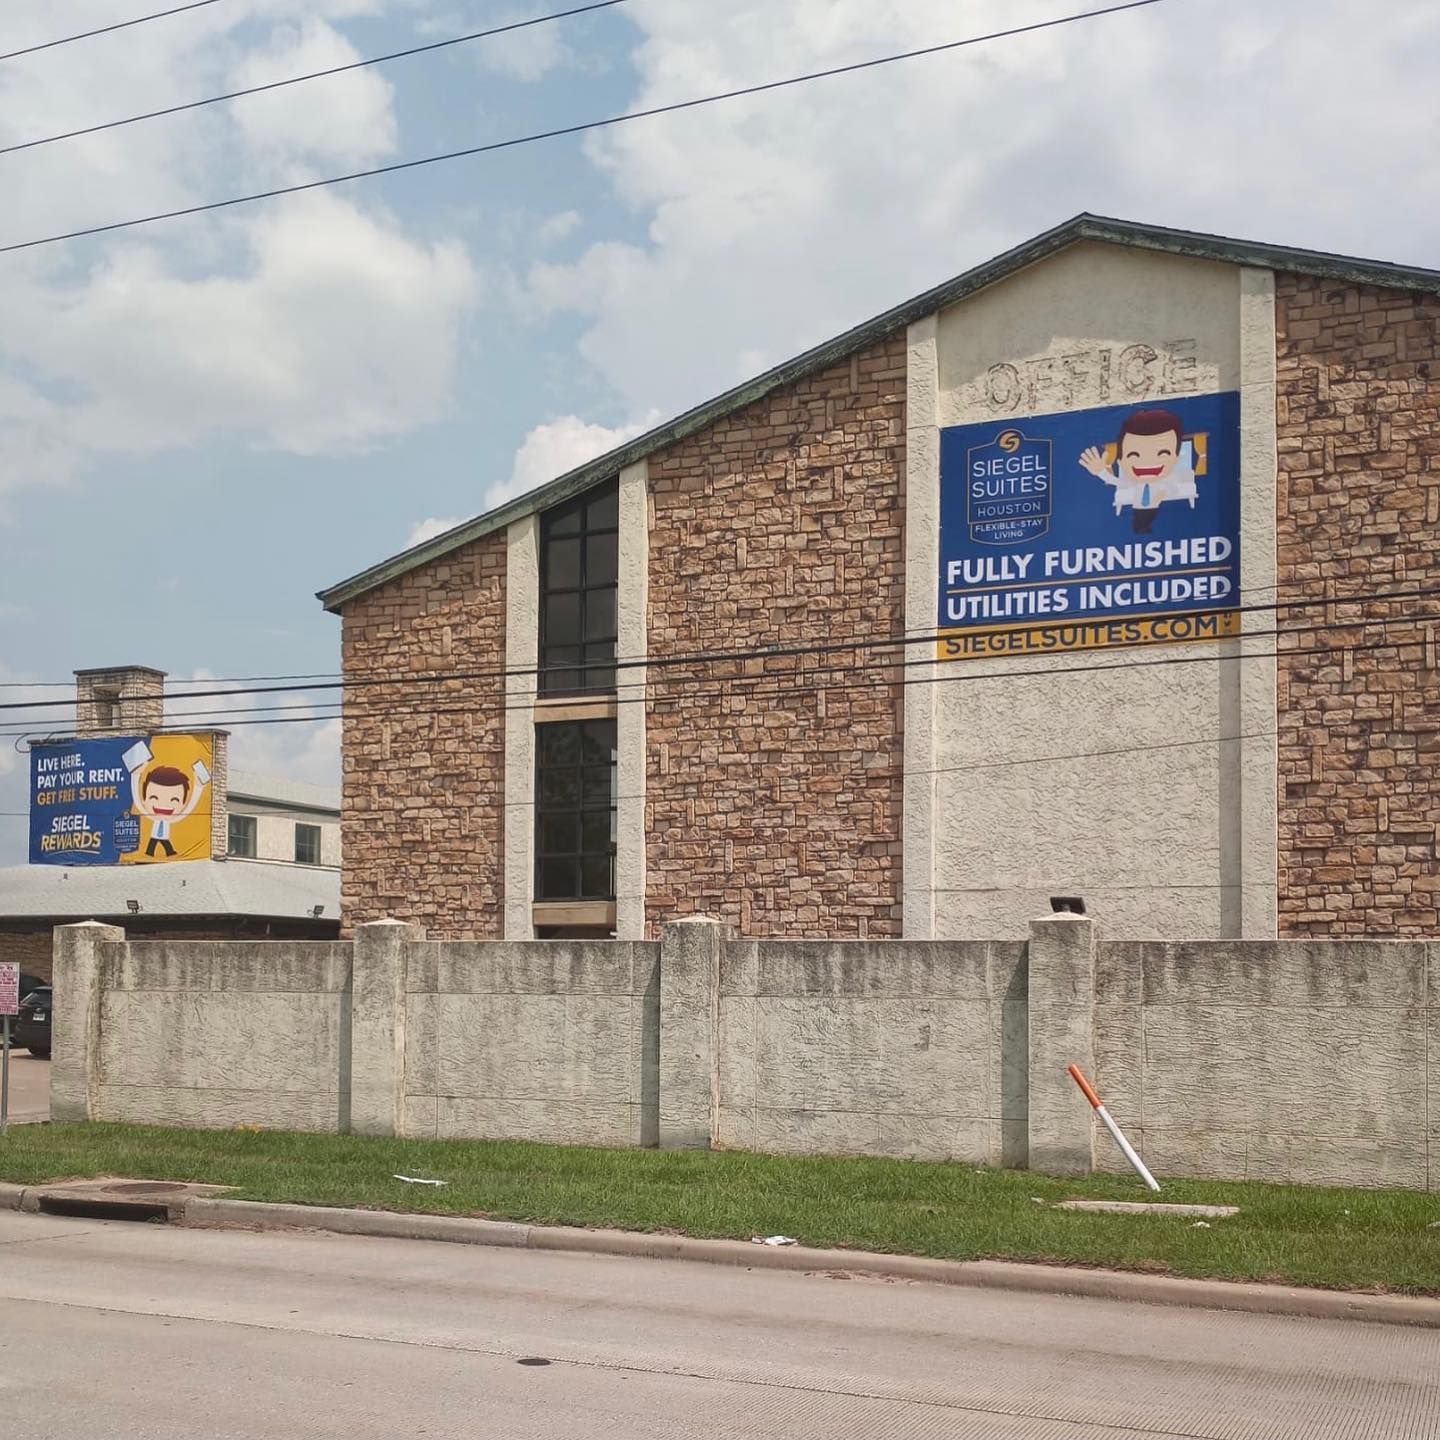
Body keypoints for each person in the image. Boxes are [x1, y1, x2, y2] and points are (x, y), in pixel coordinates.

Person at [1079, 407, 1196, 534]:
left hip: (1153, 508)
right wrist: (1101, 472)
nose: (1148, 462)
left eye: (1162, 453)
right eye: (1133, 455)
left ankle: (1145, 528)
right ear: (1121, 460)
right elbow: (1114, 481)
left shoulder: (1163, 483)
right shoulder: (1134, 483)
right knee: (1139, 524)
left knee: (1148, 522)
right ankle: (1141, 529)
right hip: (1138, 509)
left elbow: (1173, 489)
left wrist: (1161, 495)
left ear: (1175, 458)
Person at [126, 750, 210, 859]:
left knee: (160, 840)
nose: (163, 805)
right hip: (155, 835)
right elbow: (136, 800)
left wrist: (199, 787)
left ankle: (160, 852)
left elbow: (188, 809)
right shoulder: (149, 814)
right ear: (145, 799)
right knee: (157, 840)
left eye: (174, 800)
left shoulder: (173, 818)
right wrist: (135, 774)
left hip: (165, 833)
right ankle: (157, 852)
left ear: (183, 802)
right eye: (154, 798)